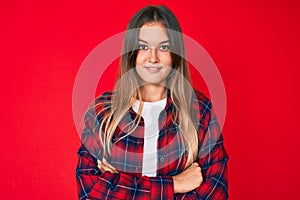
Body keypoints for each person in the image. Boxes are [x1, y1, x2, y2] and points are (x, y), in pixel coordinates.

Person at [76, 5, 228, 200]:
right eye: (143, 47)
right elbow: (89, 193)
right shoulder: (103, 113)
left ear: (175, 55)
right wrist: (175, 184)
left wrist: (118, 182)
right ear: (132, 54)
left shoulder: (199, 110)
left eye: (163, 47)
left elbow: (217, 194)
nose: (153, 58)